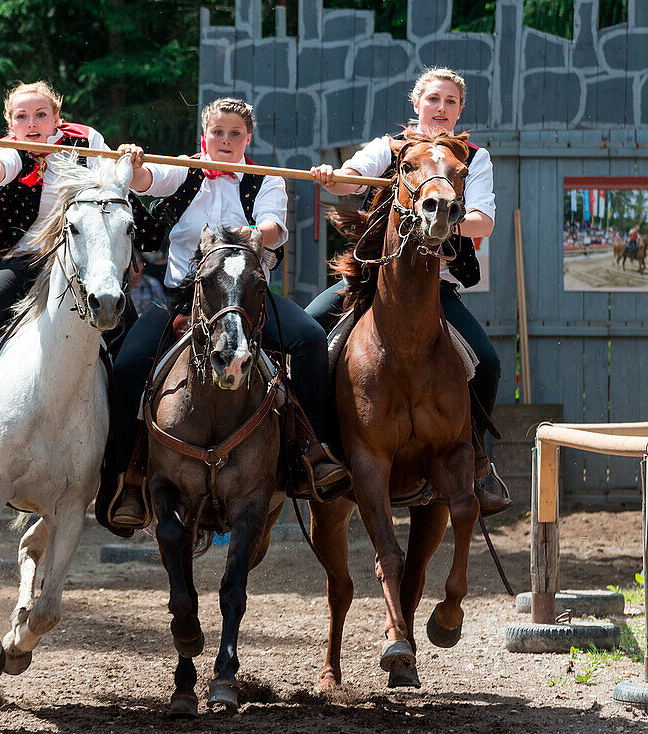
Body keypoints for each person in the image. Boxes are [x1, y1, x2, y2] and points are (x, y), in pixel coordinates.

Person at [99, 96, 348, 532]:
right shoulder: (182, 167)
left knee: (309, 339)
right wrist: (134, 163)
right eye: (219, 132)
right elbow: (146, 179)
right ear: (204, 135)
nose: (227, 140)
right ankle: (128, 476)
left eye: (236, 134)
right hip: (183, 296)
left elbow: (273, 227)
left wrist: (251, 234)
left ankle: (309, 451)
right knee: (129, 364)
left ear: (248, 138)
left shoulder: (265, 177)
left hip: (246, 296)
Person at [0, 80, 152, 472]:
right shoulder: (11, 149)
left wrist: (128, 158)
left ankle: (134, 439)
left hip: (84, 265)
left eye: (41, 114)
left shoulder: (88, 140)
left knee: (130, 336)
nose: (32, 122)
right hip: (27, 261)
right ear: (11, 124)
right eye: (22, 116)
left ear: (57, 116)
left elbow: (118, 180)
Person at [307, 66, 509, 516]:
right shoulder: (392, 147)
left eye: (450, 102)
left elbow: (483, 222)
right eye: (433, 100)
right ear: (417, 105)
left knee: (489, 363)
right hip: (375, 278)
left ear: (460, 110)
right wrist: (330, 176)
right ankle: (313, 449)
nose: (441, 109)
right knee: (306, 336)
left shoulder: (475, 158)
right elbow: (351, 179)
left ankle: (477, 463)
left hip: (437, 289)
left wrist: (442, 215)